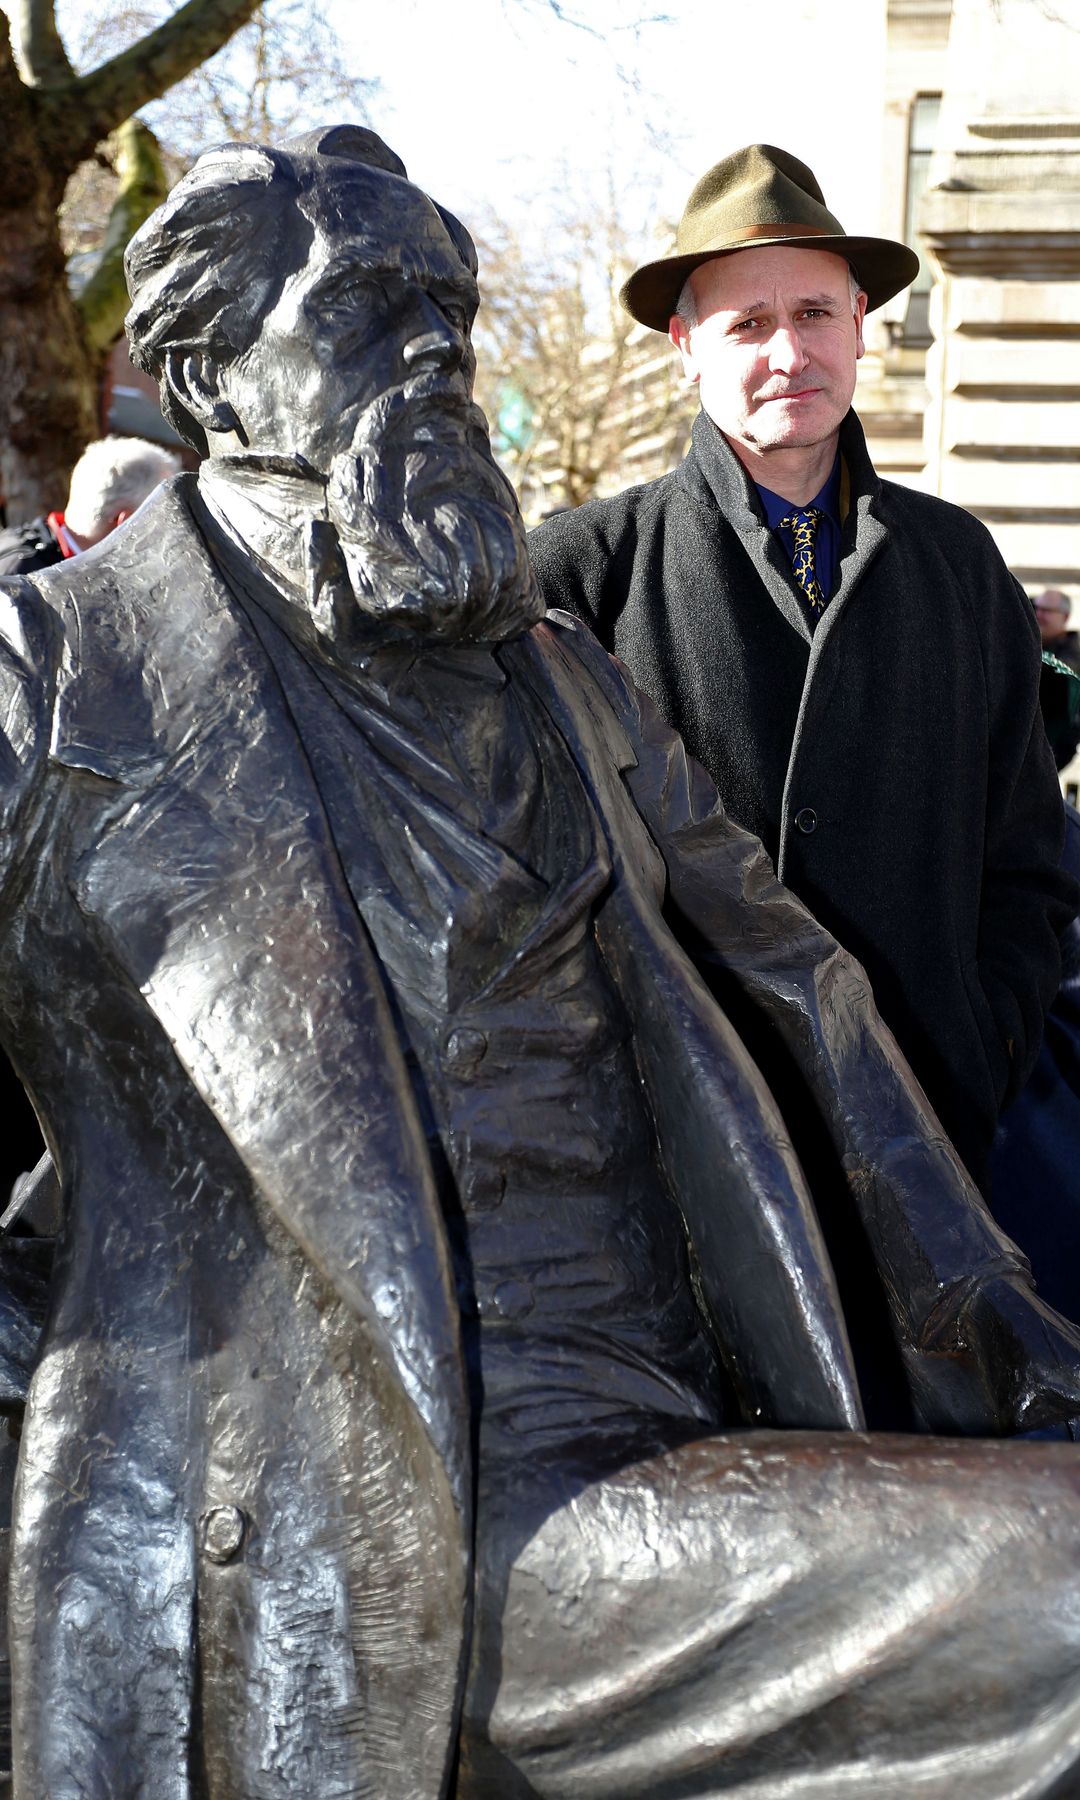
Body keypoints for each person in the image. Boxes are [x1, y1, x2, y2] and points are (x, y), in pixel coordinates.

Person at [0, 127, 1079, 1799]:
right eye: (365, 306)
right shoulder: (56, 682)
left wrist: (1013, 1328)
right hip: (384, 1497)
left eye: (449, 301)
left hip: (701, 1406)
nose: (435, 344)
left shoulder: (552, 667)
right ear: (211, 379)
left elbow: (812, 990)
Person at [530, 143, 1075, 1194]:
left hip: (928, 1129)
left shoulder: (957, 560)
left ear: (861, 323)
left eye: (816, 314)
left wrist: (988, 1039)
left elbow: (1028, 851)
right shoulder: (580, 570)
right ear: (685, 345)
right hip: (686, 1150)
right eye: (748, 324)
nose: (791, 351)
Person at [0, 434, 181, 576]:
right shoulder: (23, 582)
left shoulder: (39, 558)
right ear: (127, 522)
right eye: (162, 516)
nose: (167, 530)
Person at [1034, 587, 1080, 669]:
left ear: (1065, 617)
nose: (1038, 615)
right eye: (1036, 608)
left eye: (1046, 610)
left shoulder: (1073, 657)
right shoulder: (1032, 644)